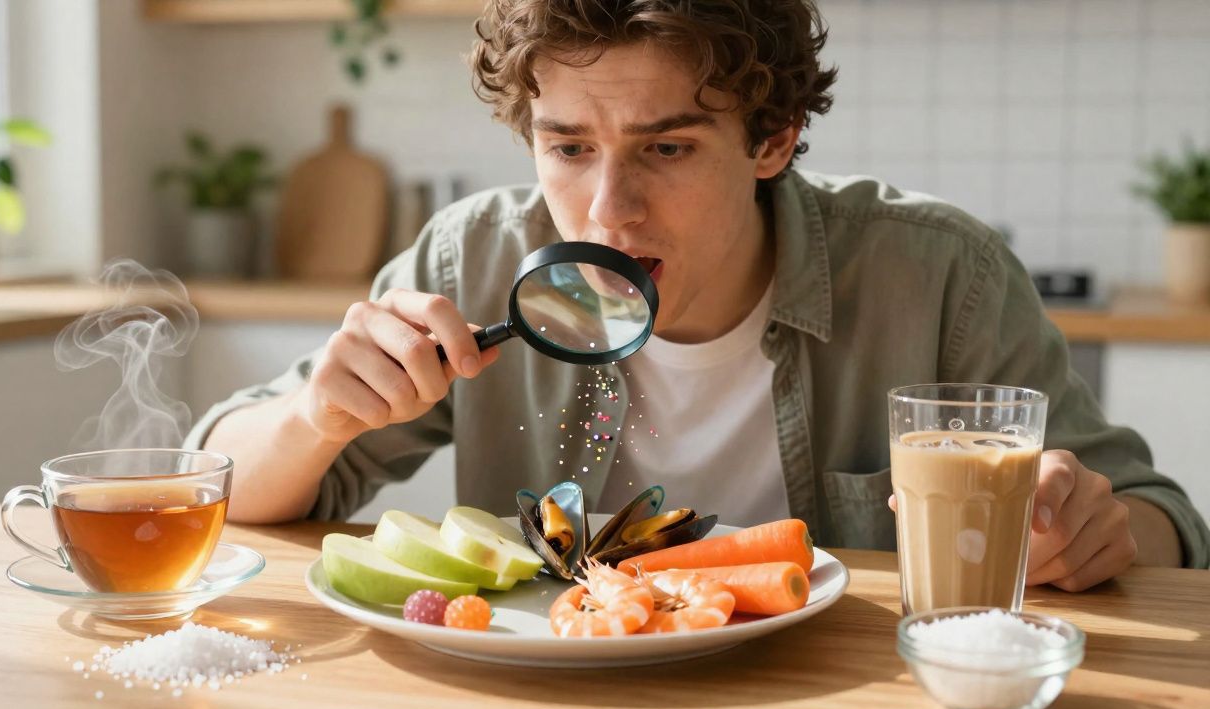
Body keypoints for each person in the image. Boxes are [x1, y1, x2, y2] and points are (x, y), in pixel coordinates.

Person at [186, 0, 1210, 589]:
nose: (607, 210)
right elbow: (216, 485)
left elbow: (1161, 523)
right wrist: (317, 416)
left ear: (772, 142)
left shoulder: (940, 274)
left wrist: (1090, 526)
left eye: (665, 147)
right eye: (567, 146)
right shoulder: (473, 258)